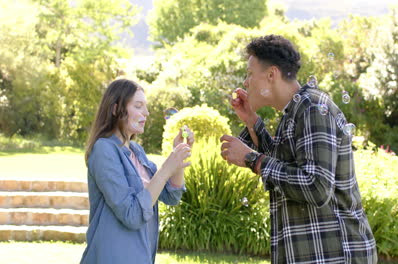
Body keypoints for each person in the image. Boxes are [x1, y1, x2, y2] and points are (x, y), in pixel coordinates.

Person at [220, 35, 377, 263]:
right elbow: (284, 167)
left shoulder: (312, 108)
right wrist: (252, 122)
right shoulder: (295, 112)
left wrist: (251, 158)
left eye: (250, 74)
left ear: (271, 75)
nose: (246, 82)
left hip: (335, 255)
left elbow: (316, 186)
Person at [80, 78, 194, 264]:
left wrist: (179, 156)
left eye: (145, 107)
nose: (146, 113)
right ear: (116, 109)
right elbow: (131, 214)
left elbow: (171, 196)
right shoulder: (104, 150)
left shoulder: (136, 151)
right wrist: (166, 168)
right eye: (138, 106)